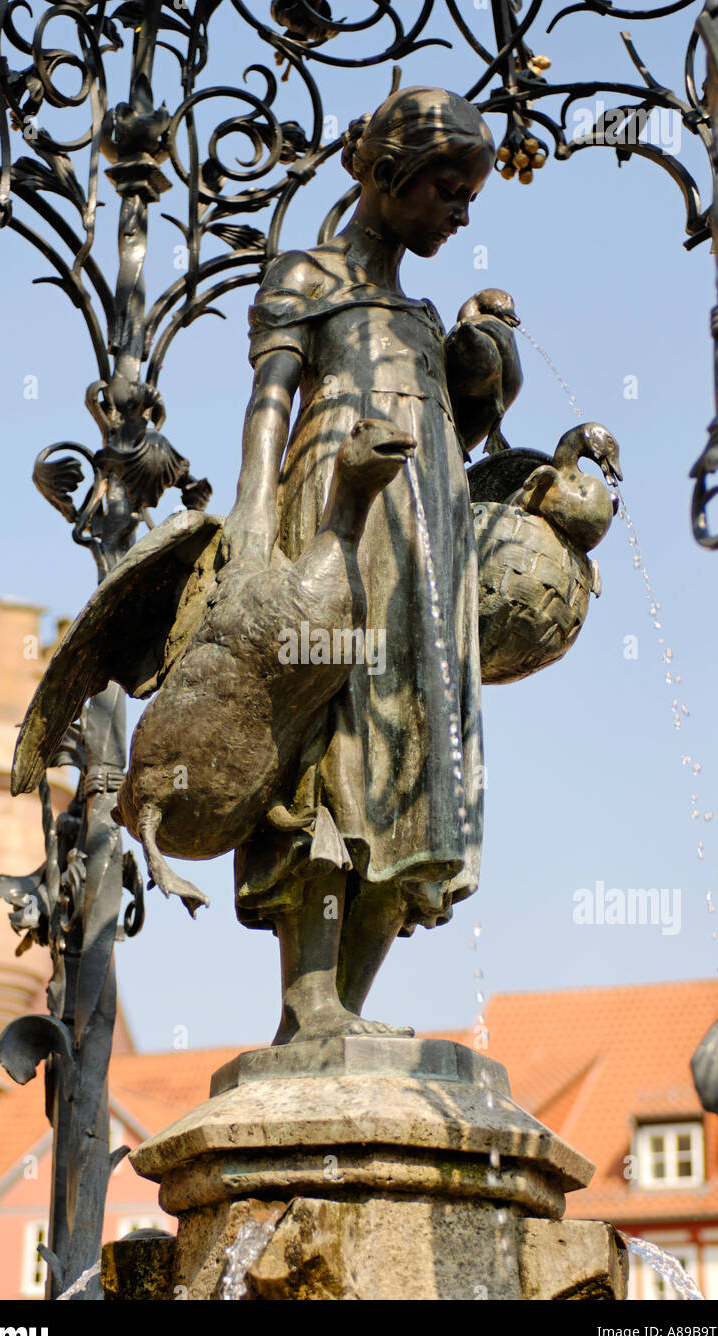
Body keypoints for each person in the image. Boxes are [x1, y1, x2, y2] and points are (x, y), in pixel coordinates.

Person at [219, 87, 521, 1044]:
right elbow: (270, 401)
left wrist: (485, 360)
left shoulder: (423, 312)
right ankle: (306, 1000)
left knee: (414, 744)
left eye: (468, 196)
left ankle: (344, 1003)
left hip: (427, 541)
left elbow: (458, 438)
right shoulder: (306, 275)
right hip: (337, 510)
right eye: (447, 187)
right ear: (388, 174)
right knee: (326, 732)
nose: (459, 212)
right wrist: (254, 517)